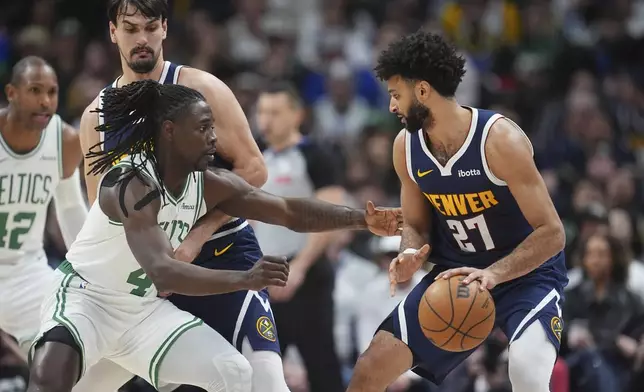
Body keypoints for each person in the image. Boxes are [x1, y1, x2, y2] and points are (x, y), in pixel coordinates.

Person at [27, 80, 403, 392]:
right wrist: (245, 278)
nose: (214, 137)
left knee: (233, 373)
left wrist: (360, 219)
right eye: (203, 127)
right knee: (50, 380)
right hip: (86, 302)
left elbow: (288, 211)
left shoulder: (209, 184)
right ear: (170, 132)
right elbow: (163, 271)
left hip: (141, 312)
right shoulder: (131, 182)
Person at [346, 31, 568, 392]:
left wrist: (494, 274)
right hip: (454, 278)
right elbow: (416, 224)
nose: (391, 107)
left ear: (422, 92)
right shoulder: (406, 147)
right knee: (370, 368)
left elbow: (553, 233)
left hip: (526, 276)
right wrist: (408, 252)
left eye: (395, 95)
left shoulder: (499, 141)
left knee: (527, 373)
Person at [76, 0, 283, 390]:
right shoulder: (96, 116)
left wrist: (195, 237)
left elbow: (254, 168)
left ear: (166, 29)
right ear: (112, 33)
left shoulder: (199, 87)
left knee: (268, 382)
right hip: (152, 277)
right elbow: (99, 214)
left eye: (151, 27)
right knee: (82, 383)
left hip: (222, 253)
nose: (142, 38)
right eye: (131, 28)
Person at [250, 82, 346, 392]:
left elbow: (329, 216)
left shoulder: (315, 155)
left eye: (275, 112)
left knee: (321, 365)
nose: (266, 120)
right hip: (266, 273)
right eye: (262, 112)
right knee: (261, 364)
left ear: (297, 115)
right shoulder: (254, 157)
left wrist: (300, 268)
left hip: (307, 275)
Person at [0, 56, 86, 355]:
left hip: (27, 272)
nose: (45, 101)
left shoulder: (64, 140)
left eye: (52, 92)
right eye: (35, 91)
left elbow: (72, 210)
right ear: (12, 93)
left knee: (75, 354)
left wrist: (96, 270)